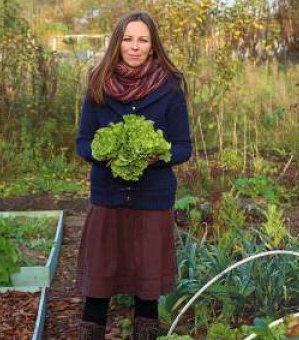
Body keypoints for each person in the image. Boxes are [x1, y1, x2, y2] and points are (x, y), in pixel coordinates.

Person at [75, 10, 192, 340]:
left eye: (143, 40)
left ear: (153, 47)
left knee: (147, 284)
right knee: (99, 280)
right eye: (128, 39)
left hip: (152, 198)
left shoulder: (169, 89)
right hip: (108, 195)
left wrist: (155, 156)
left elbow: (183, 147)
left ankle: (146, 332)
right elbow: (83, 142)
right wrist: (104, 154)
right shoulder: (98, 83)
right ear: (117, 43)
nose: (135, 46)